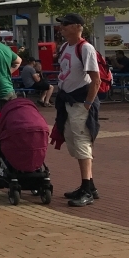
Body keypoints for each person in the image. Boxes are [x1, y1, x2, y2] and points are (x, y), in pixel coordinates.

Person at [52, 13, 102, 207]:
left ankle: (87, 189)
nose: (61, 27)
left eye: (65, 24)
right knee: (73, 142)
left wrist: (88, 104)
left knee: (82, 143)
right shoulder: (66, 47)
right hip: (68, 102)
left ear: (76, 26)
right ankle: (90, 186)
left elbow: (95, 79)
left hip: (80, 102)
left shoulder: (86, 48)